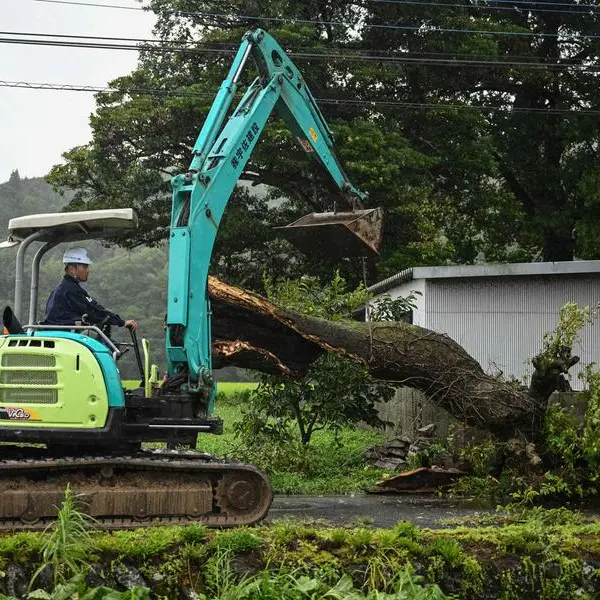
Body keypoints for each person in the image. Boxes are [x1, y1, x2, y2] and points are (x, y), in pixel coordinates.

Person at [43, 247, 138, 331]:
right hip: (64, 335)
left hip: (60, 333)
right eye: (84, 266)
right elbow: (93, 311)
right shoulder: (71, 290)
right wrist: (121, 322)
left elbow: (92, 309)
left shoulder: (66, 287)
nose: (88, 270)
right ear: (72, 268)